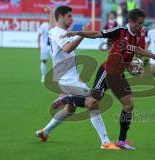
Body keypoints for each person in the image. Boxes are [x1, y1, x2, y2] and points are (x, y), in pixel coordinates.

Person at [60, 9, 155, 150]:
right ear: (131, 22)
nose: (141, 26)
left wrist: (151, 57)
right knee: (92, 103)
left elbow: (136, 49)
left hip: (119, 75)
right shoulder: (120, 30)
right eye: (139, 23)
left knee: (129, 105)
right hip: (107, 72)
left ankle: (121, 141)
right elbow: (98, 34)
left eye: (142, 23)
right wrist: (78, 33)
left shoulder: (138, 34)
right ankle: (68, 98)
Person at [35, 6, 120, 150]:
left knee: (70, 110)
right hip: (68, 80)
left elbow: (53, 28)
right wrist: (83, 34)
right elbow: (67, 48)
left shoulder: (56, 31)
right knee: (92, 103)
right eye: (69, 16)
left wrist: (51, 14)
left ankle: (45, 132)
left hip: (68, 78)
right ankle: (105, 142)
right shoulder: (58, 33)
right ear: (61, 17)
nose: (72, 19)